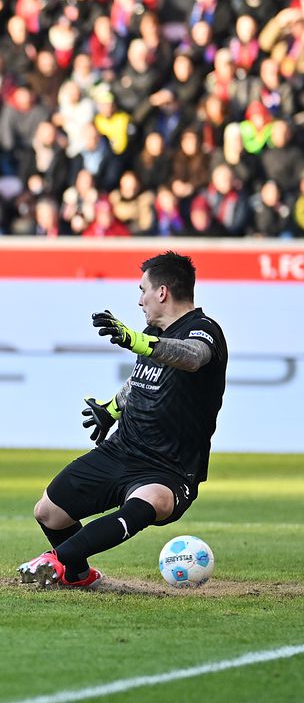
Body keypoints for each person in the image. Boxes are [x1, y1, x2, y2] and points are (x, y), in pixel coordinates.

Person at [18, 252, 228, 588]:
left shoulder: (204, 330)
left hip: (168, 467)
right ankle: (79, 576)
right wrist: (111, 409)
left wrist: (136, 340)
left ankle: (55, 562)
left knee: (153, 501)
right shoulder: (153, 331)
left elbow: (190, 358)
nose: (139, 300)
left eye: (143, 290)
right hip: (122, 449)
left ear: (162, 292)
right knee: (48, 512)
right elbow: (141, 380)